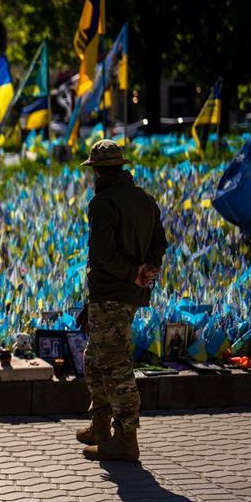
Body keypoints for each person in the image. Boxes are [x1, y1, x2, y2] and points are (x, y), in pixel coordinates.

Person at [76, 139, 168, 462]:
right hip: (126, 293)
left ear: (99, 172)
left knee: (114, 363)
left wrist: (133, 273)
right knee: (94, 358)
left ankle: (125, 438)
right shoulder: (145, 200)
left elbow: (103, 255)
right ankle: (100, 424)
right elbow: (160, 242)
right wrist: (147, 271)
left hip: (113, 291)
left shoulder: (103, 203)